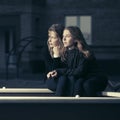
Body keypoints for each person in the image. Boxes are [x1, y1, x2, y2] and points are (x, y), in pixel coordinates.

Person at [52, 26, 108, 97]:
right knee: (69, 82)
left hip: (95, 79)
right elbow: (61, 70)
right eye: (63, 36)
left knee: (86, 85)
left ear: (75, 38)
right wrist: (56, 57)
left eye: (68, 36)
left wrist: (60, 71)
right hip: (82, 79)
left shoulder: (84, 52)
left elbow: (79, 71)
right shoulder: (66, 52)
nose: (64, 39)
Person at [46, 24, 67, 96]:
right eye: (49, 37)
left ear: (60, 39)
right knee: (62, 80)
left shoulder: (68, 50)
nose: (49, 40)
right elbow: (51, 71)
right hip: (52, 80)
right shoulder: (46, 51)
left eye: (52, 37)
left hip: (65, 78)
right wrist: (56, 56)